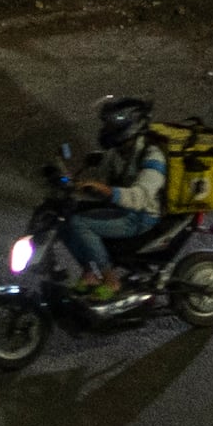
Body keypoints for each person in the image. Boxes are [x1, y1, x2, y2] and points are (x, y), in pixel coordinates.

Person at [64, 96, 173, 296]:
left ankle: (111, 280)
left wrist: (106, 191)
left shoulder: (152, 156)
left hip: (142, 216)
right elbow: (101, 180)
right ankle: (91, 272)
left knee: (80, 224)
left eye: (112, 126)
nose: (107, 130)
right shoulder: (117, 152)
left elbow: (139, 198)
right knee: (65, 219)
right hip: (121, 208)